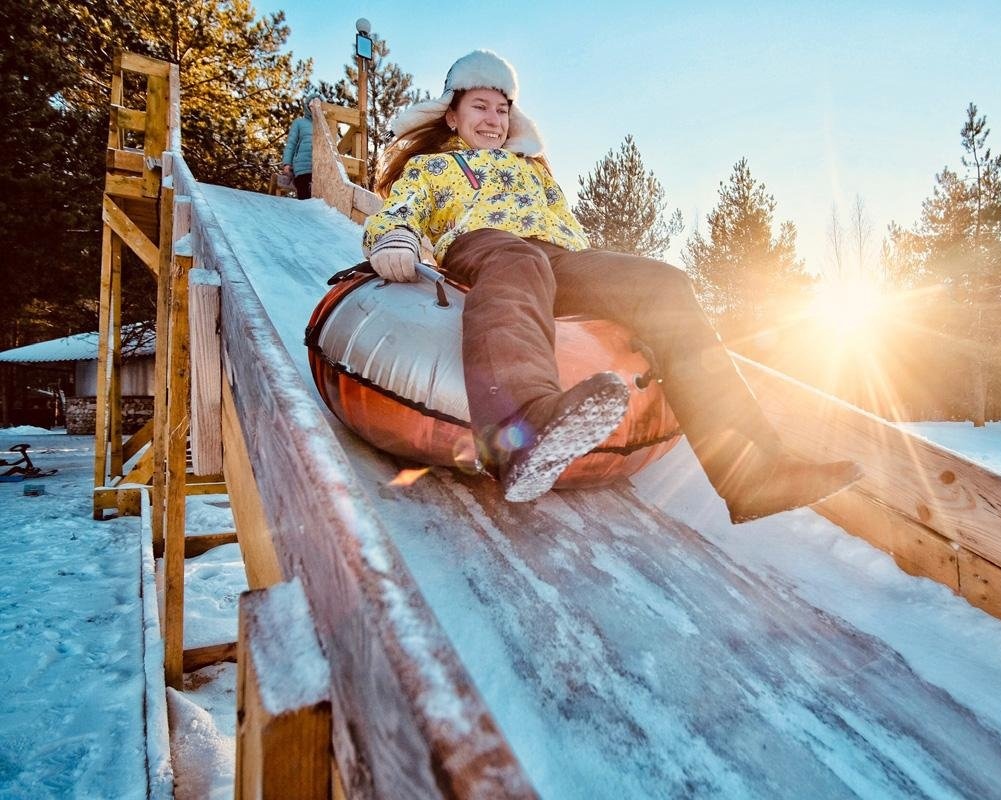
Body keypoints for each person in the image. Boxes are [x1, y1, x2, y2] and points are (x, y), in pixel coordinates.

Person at [362, 50, 862, 523]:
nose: (493, 119)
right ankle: (521, 435)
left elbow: (571, 233)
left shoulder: (533, 173)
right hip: (489, 248)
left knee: (662, 282)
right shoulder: (434, 168)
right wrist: (393, 239)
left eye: (502, 109)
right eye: (480, 107)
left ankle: (756, 473)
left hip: (561, 259)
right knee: (521, 261)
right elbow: (399, 211)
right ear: (452, 115)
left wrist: (617, 295)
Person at [281, 90, 317, 199]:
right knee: (305, 199)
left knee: (320, 205)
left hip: (319, 168)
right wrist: (287, 163)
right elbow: (291, 143)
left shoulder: (324, 126)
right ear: (308, 106)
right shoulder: (299, 122)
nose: (314, 108)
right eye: (312, 105)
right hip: (303, 168)